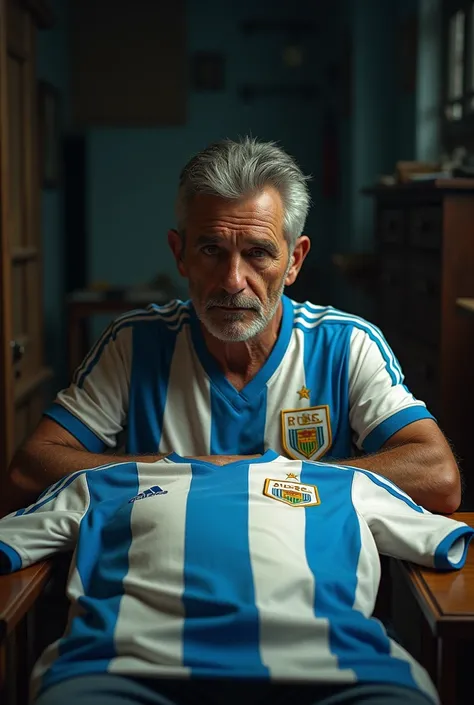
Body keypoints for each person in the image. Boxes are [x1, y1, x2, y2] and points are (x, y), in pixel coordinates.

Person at [7, 137, 460, 514]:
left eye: (258, 253)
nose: (232, 281)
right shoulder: (134, 344)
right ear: (179, 254)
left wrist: (259, 476)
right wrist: (192, 468)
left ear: (294, 260)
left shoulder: (346, 345)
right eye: (211, 250)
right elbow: (30, 470)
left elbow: (438, 477)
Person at [0, 451, 472, 705]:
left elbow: (441, 539)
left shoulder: (341, 481)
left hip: (339, 671)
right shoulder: (105, 480)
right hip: (120, 670)